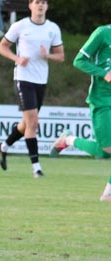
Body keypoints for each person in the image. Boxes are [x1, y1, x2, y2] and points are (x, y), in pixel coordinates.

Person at [0, 0, 64, 178]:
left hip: (41, 80)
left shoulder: (53, 28)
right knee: (33, 122)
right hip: (23, 78)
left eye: (43, 2)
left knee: (26, 123)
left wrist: (47, 55)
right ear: (30, 6)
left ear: (47, 6)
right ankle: (36, 168)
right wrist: (17, 59)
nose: (40, 5)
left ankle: (4, 145)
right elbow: (2, 47)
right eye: (37, 2)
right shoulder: (20, 26)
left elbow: (60, 56)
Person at [50, 25, 111, 200]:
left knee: (106, 152)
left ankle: (108, 194)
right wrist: (104, 73)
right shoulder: (103, 33)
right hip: (102, 100)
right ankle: (67, 139)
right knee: (104, 151)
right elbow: (79, 60)